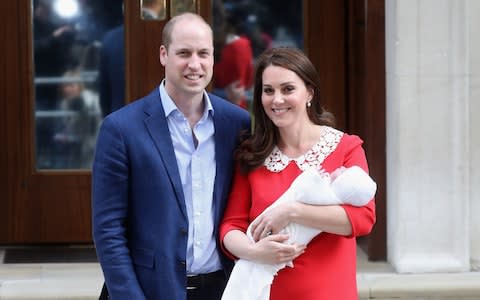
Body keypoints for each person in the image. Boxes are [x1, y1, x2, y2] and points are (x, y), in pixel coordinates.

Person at [92, 12, 251, 300]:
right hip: (149, 290)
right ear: (164, 55)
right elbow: (108, 229)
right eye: (184, 53)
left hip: (223, 288)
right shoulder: (121, 128)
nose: (195, 64)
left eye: (203, 53)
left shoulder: (237, 124)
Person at [219, 47, 376, 300]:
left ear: (309, 92)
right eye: (268, 91)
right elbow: (231, 226)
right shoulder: (251, 154)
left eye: (287, 89)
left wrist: (291, 211)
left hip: (329, 293)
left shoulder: (346, 147)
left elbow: (363, 219)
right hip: (266, 293)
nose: (277, 99)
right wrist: (254, 251)